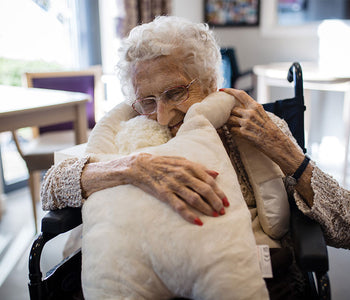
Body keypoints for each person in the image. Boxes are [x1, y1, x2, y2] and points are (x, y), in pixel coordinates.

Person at [41, 15, 349, 297]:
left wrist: (284, 150)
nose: (162, 117)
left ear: (211, 83)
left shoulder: (259, 130)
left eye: (174, 93)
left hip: (253, 276)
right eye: (147, 101)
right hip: (150, 279)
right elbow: (51, 186)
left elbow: (345, 225)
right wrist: (131, 167)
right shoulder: (129, 135)